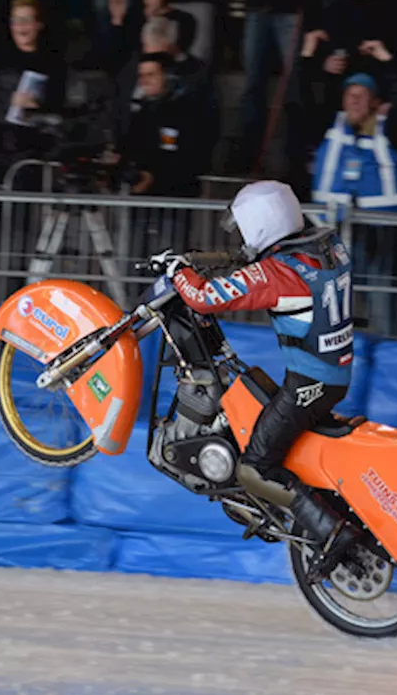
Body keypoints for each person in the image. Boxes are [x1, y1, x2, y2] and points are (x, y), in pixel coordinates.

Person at [149, 180, 359, 560]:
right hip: (334, 374)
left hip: (309, 385)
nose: (245, 238)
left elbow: (204, 298)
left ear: (262, 225)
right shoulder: (329, 247)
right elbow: (259, 265)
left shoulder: (281, 273)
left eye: (247, 229)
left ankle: (332, 534)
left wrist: (177, 269)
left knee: (254, 468)